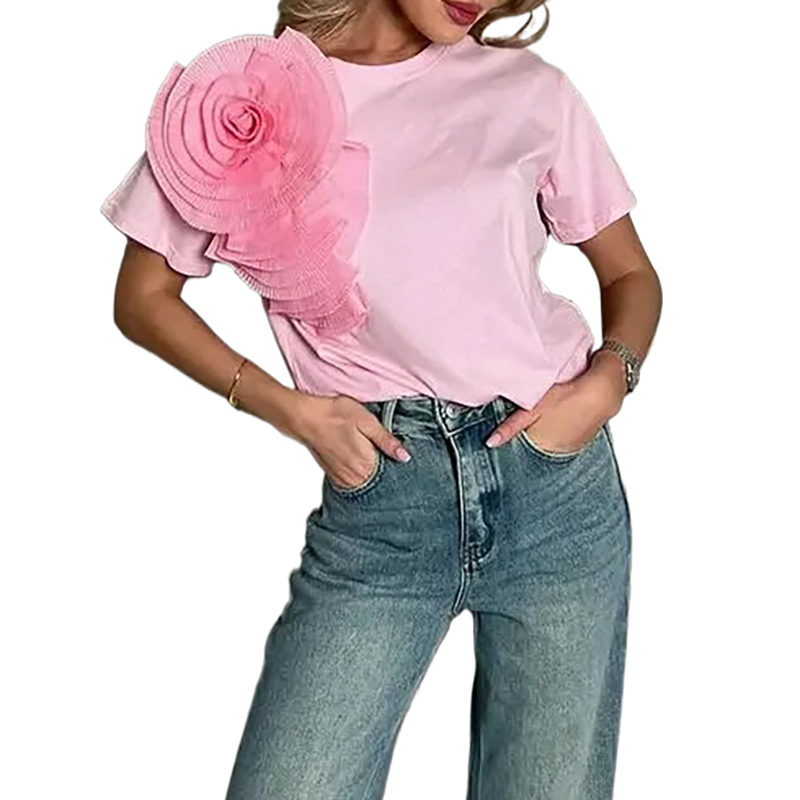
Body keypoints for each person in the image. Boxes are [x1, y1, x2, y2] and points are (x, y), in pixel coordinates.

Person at [99, 0, 662, 797]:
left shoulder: (532, 91)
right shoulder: (247, 101)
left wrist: (610, 380)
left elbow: (631, 274)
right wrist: (290, 410)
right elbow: (143, 298)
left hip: (557, 489)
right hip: (383, 506)